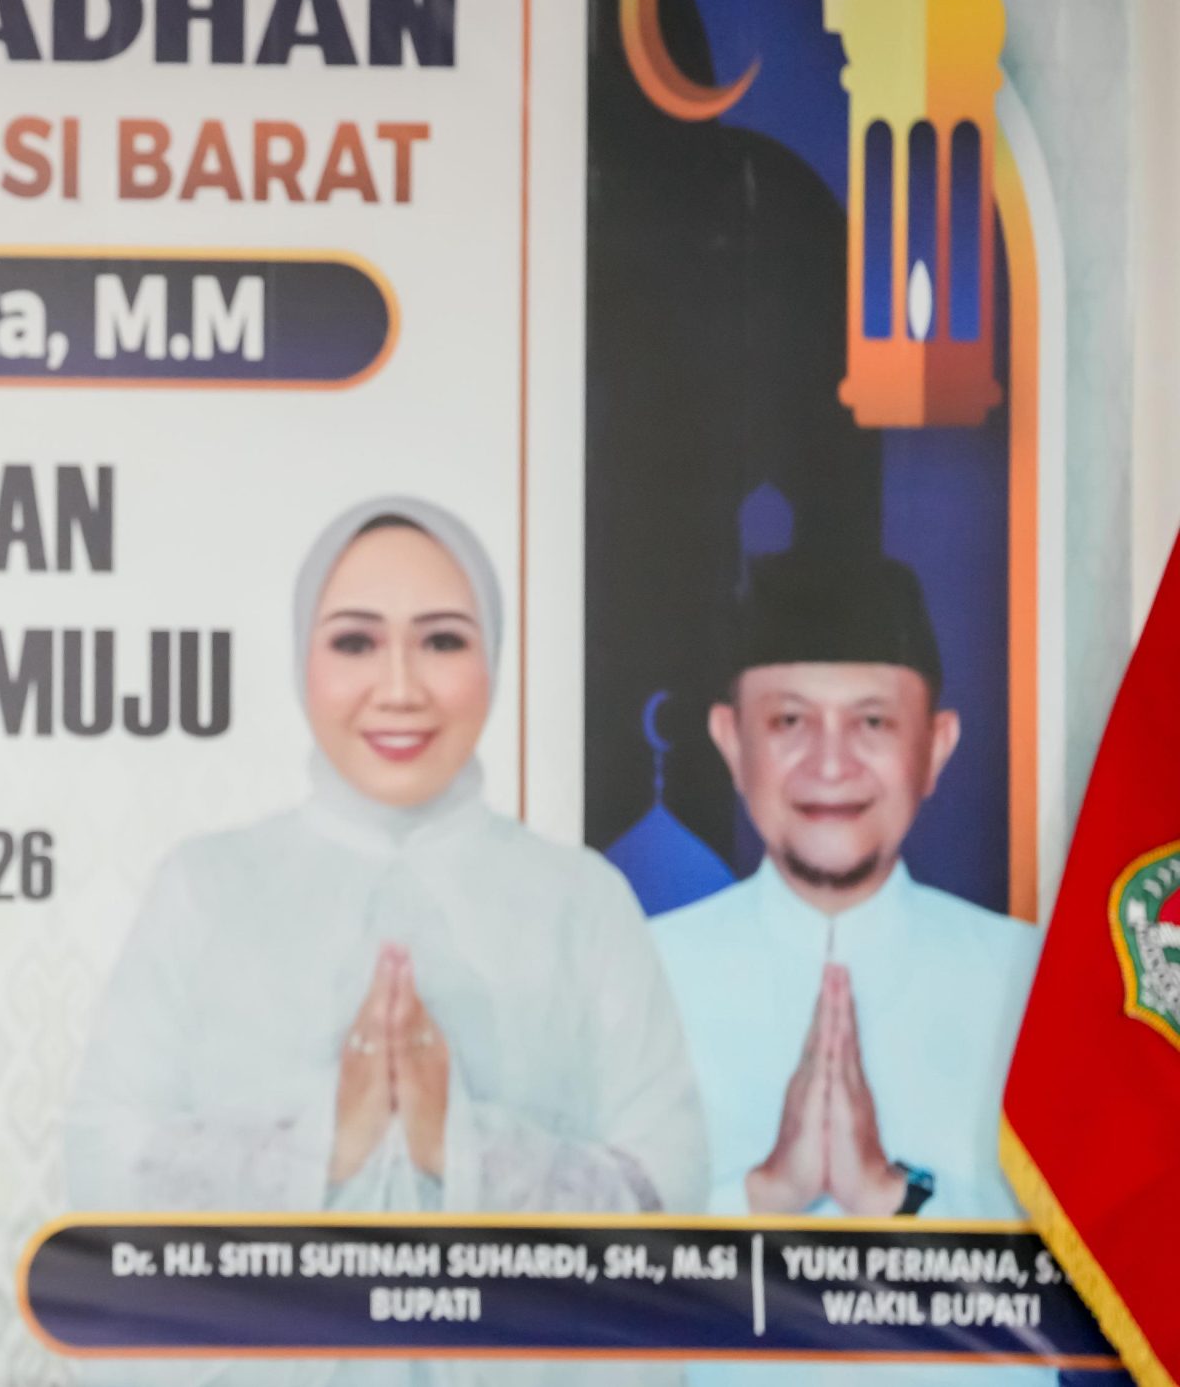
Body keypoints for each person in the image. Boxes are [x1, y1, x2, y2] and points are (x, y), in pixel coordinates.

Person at [65, 498, 705, 1385]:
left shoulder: (581, 899)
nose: (399, 687)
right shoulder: (206, 888)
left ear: (493, 654)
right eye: (356, 641)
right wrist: (328, 1141)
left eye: (441, 640)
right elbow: (103, 1174)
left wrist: (459, 1144)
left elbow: (668, 1198)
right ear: (302, 657)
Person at [651, 548, 1043, 1385]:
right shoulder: (639, 975)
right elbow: (569, 1296)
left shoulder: (1037, 982)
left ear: (936, 746)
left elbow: (1102, 1307)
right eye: (789, 721)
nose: (830, 764)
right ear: (730, 740)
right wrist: (761, 1197)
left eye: (872, 723)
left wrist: (893, 1200)